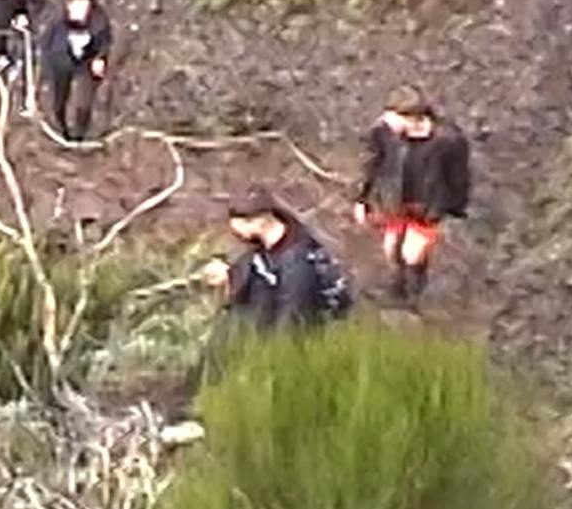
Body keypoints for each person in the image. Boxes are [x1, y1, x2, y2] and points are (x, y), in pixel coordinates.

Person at [353, 86, 472, 305]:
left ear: (411, 118)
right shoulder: (383, 133)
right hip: (396, 200)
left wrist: (455, 208)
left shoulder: (448, 140)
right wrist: (361, 198)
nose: (386, 122)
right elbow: (371, 163)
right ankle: (395, 293)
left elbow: (458, 177)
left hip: (428, 204)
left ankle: (414, 298)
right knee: (392, 249)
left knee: (413, 253)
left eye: (392, 118)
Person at [199, 190, 354, 332]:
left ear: (257, 222)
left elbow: (293, 318)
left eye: (238, 226)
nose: (235, 232)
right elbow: (256, 269)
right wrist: (231, 274)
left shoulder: (299, 262)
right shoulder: (268, 250)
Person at [40, 0, 112, 140]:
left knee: (84, 100)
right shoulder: (57, 21)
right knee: (59, 100)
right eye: (75, 5)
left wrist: (100, 58)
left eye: (84, 5)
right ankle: (61, 129)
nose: (80, 10)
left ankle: (80, 133)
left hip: (87, 60)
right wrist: (46, 69)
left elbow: (105, 41)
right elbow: (45, 45)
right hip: (61, 60)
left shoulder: (99, 21)